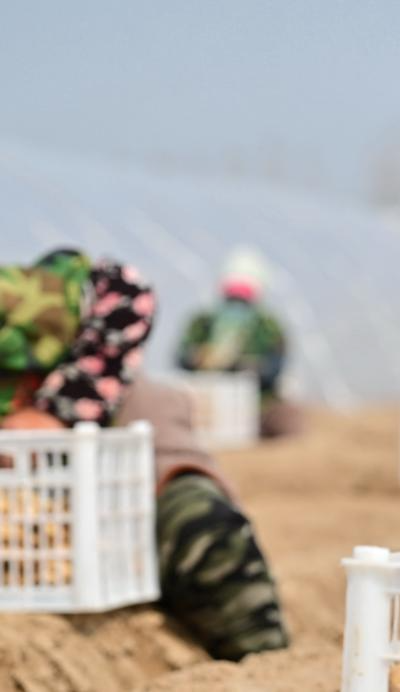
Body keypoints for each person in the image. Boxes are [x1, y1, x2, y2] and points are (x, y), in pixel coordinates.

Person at [0, 248, 288, 661]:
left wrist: (59, 410)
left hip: (108, 420)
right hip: (39, 504)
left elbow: (124, 291)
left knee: (204, 536)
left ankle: (258, 651)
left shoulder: (19, 298)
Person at [177, 247, 301, 438]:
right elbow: (182, 357)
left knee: (288, 420)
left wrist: (247, 367)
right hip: (210, 404)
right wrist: (202, 359)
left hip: (259, 405)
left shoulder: (268, 326)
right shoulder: (203, 323)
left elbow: (275, 367)